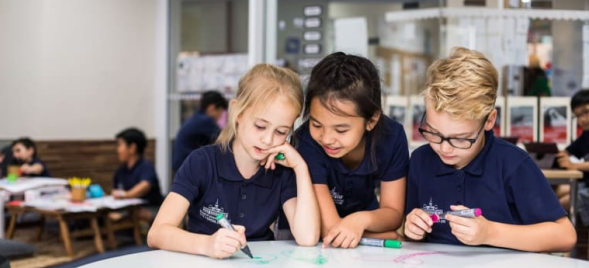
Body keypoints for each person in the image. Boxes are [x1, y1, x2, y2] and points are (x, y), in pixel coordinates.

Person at [404, 47, 576, 252]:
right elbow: (411, 235)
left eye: (461, 138)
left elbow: (565, 235)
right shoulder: (420, 161)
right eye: (433, 132)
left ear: (489, 120)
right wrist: (412, 228)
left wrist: (490, 233)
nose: (444, 147)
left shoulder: (513, 164)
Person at [148, 64, 320, 259]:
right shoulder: (201, 162)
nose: (268, 140)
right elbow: (157, 233)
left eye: (281, 132)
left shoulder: (282, 171)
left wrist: (301, 168)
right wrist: (207, 244)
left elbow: (307, 238)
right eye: (260, 126)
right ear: (237, 112)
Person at [288, 52, 408, 248]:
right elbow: (330, 230)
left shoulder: (391, 137)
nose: (326, 139)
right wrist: (386, 236)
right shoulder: (307, 142)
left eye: (341, 129)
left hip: (360, 236)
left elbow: (393, 214)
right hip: (312, 242)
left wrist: (360, 221)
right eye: (317, 125)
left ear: (371, 120)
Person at [112, 128, 163, 222]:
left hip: (151, 209)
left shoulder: (145, 166)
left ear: (132, 148)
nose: (118, 150)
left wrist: (125, 194)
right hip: (128, 210)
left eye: (120, 145)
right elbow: (116, 190)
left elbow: (144, 186)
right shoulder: (121, 170)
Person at [172, 91, 228, 174]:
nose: (220, 116)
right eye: (219, 112)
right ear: (211, 108)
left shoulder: (196, 117)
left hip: (183, 165)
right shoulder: (205, 121)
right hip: (188, 168)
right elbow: (225, 139)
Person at [557, 89, 589, 225]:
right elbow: (567, 151)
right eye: (577, 116)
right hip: (585, 184)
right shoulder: (586, 134)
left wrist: (573, 165)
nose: (582, 119)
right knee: (556, 191)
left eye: (586, 112)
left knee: (560, 204)